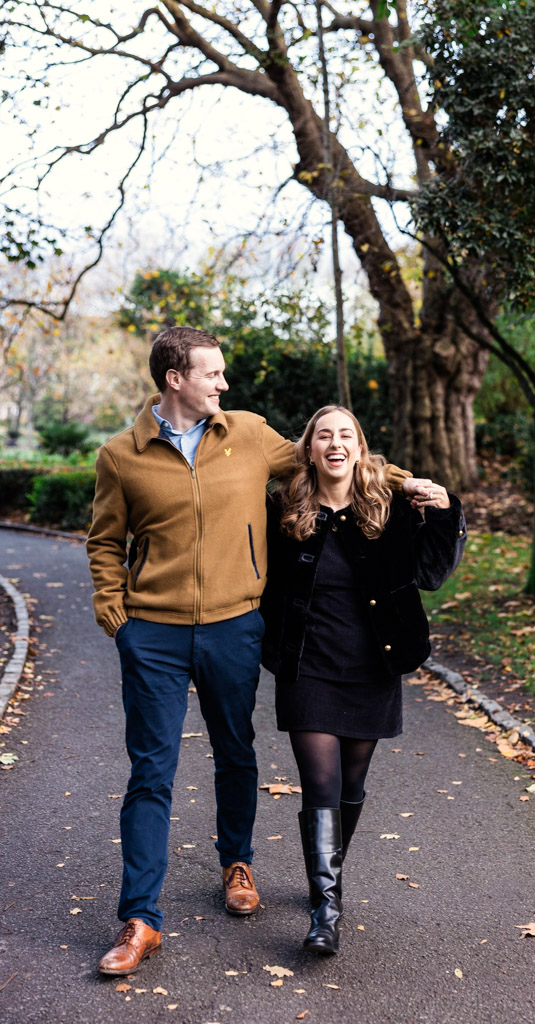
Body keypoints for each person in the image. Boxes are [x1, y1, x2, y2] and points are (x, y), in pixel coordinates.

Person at [86, 327, 431, 976]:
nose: (223, 384)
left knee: (234, 750)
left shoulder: (244, 433)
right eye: (211, 374)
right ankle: (140, 920)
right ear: (174, 379)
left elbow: (330, 458)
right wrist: (117, 617)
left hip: (234, 626)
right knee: (150, 772)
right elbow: (104, 542)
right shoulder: (121, 457)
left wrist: (412, 485)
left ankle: (236, 862)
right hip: (153, 635)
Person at [260, 405, 467, 955]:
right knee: (321, 785)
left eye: (344, 435)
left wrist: (446, 514)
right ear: (308, 449)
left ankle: (328, 878)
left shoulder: (390, 507)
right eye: (323, 434)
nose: (334, 443)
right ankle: (325, 908)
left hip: (372, 665)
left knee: (351, 787)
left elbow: (431, 573)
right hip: (308, 667)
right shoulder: (283, 510)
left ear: (359, 447)